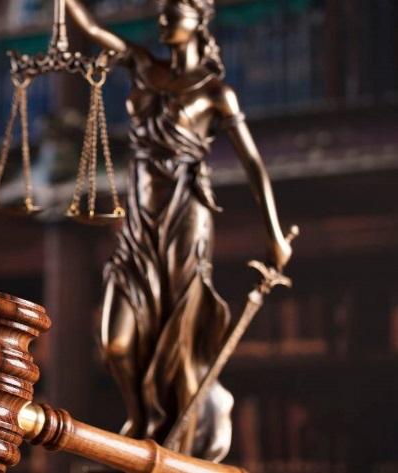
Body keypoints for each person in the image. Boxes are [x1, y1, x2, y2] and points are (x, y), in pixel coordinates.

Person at [60, 0, 295, 461]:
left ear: (200, 18)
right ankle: (143, 417)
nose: (165, 18)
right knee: (116, 342)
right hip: (139, 224)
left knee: (182, 345)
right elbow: (88, 27)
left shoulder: (216, 92)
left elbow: (253, 165)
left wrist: (275, 236)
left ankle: (180, 442)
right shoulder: (144, 64)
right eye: (162, 11)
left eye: (177, 10)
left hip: (186, 218)